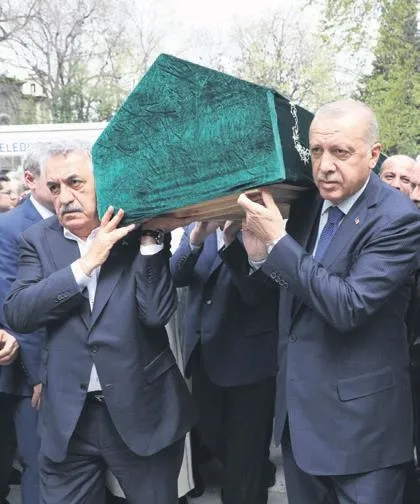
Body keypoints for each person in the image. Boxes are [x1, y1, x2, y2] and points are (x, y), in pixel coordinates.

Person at [237, 99, 420, 504]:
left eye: (341, 152)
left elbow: (348, 306)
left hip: (363, 435)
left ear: (373, 155)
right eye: (317, 151)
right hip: (301, 425)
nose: (325, 166)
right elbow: (301, 293)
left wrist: (279, 241)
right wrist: (262, 256)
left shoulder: (398, 219)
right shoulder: (309, 203)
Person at [4, 140, 197, 504]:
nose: (64, 197)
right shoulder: (37, 241)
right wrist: (84, 265)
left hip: (142, 410)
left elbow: (155, 314)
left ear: (102, 182)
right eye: (54, 187)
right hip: (69, 421)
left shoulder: (134, 233)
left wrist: (151, 240)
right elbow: (19, 313)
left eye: (75, 182)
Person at [170, 220, 278, 504]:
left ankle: (251, 481)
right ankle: (255, 471)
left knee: (244, 461)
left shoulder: (262, 223)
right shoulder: (198, 224)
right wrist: (195, 238)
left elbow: (258, 293)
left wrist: (231, 242)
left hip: (249, 360)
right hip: (204, 356)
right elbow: (176, 276)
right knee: (211, 436)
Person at [0, 143, 55, 504]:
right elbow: (14, 307)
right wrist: (39, 375)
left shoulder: (83, 219)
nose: (67, 191)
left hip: (81, 367)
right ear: (31, 180)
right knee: (42, 464)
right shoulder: (9, 227)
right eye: (56, 182)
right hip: (32, 373)